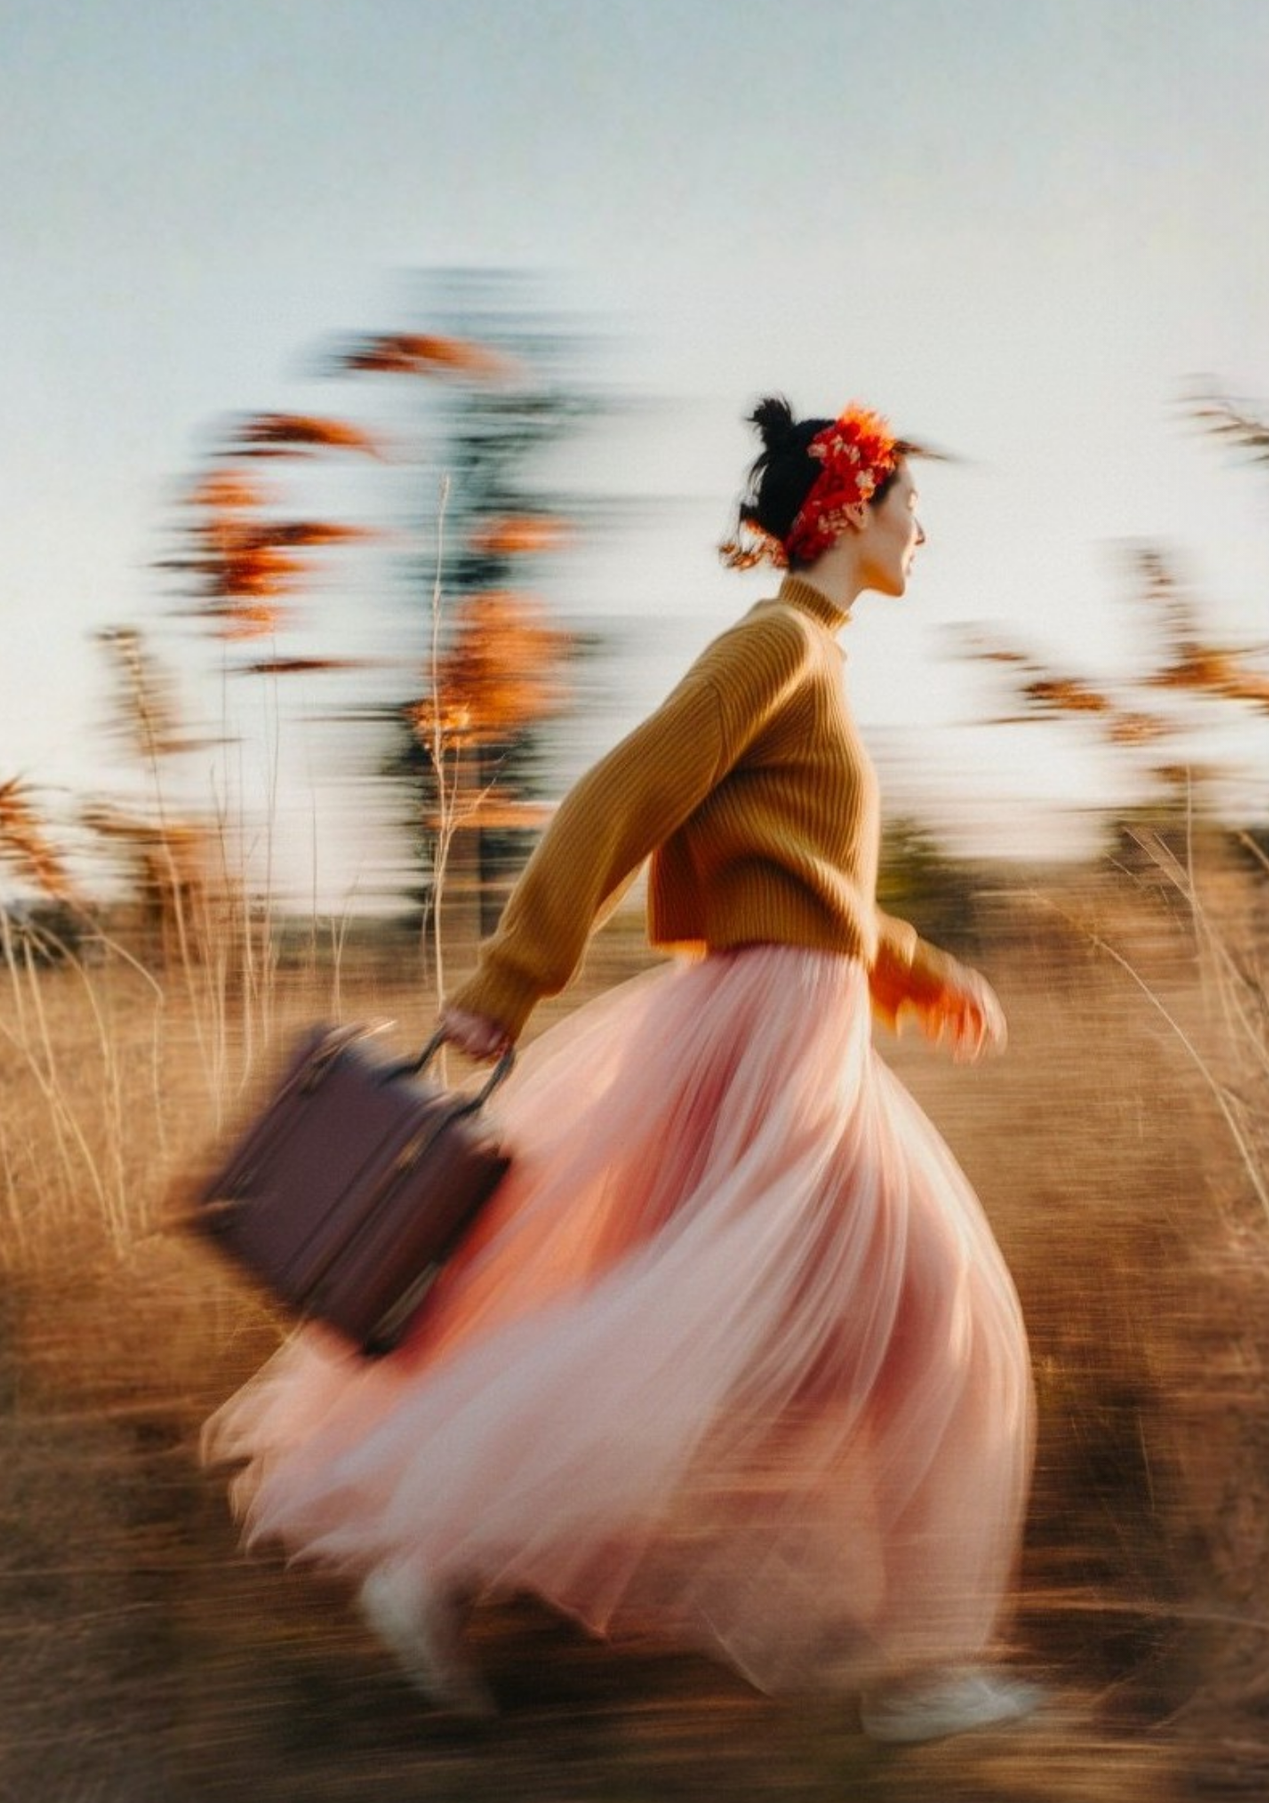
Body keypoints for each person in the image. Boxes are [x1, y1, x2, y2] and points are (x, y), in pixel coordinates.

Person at [203, 398, 1043, 1744]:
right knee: (927, 1328)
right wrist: (510, 977)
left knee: (733, 1335)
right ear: (843, 514)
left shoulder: (809, 657)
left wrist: (911, 968)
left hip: (787, 1022)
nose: (920, 532)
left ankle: (437, 1560)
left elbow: (796, 875)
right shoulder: (776, 644)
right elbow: (619, 796)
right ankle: (925, 1674)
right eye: (904, 509)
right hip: (769, 1040)